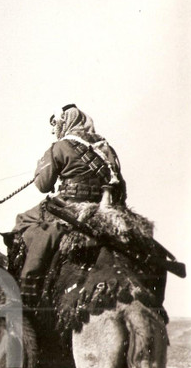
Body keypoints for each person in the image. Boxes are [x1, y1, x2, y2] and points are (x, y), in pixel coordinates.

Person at [12, 104, 126, 307]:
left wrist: (41, 165)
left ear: (66, 123)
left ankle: (27, 286)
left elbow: (43, 185)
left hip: (70, 206)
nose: (53, 130)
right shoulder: (107, 147)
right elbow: (120, 185)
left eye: (55, 124)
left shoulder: (60, 146)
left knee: (24, 220)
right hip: (104, 206)